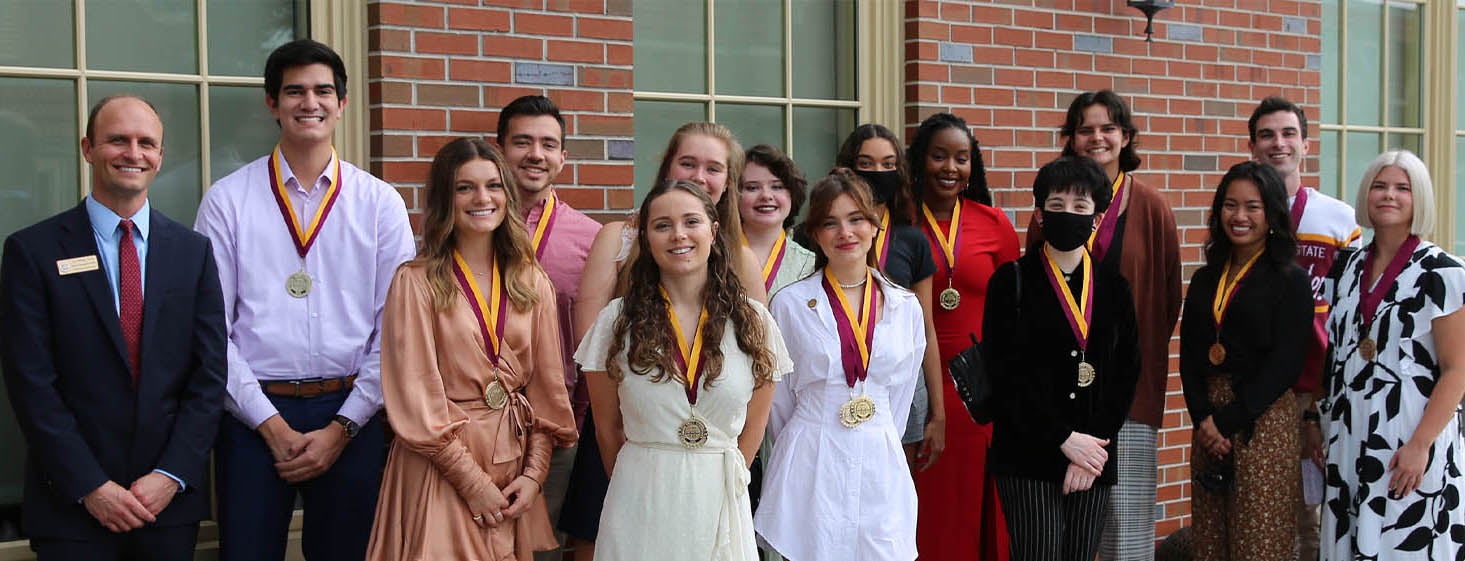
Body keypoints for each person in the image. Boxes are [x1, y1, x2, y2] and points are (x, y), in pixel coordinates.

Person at [195, 39, 416, 561]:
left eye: (322, 91)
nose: (309, 102)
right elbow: (209, 331)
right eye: (294, 91)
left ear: (342, 104)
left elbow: (398, 330)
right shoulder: (228, 200)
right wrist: (268, 424)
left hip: (351, 413)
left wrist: (343, 428)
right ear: (272, 104)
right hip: (251, 417)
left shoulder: (380, 204)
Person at [0, 94, 227, 560]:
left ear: (160, 157)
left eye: (147, 143)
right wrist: (91, 486)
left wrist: (171, 475)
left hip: (166, 505)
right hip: (71, 506)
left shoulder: (193, 253)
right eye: (117, 140)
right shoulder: (33, 252)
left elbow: (208, 378)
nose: (133, 153)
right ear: (87, 148)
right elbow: (31, 384)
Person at [365, 138, 577, 560]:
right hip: (442, 467)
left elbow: (546, 390)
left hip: (513, 465)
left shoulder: (531, 281)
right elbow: (415, 397)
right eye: (465, 188)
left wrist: (534, 476)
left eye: (494, 185)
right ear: (446, 198)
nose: (482, 198)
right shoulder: (416, 281)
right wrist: (473, 483)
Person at [564, 122, 764, 560]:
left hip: (715, 450)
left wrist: (723, 472)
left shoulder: (742, 258)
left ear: (727, 183)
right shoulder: (621, 239)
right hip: (638, 428)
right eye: (688, 162)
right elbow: (595, 348)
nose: (699, 175)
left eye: (713, 168)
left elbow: (753, 373)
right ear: (668, 166)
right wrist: (642, 472)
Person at [1027, 90, 1182, 561]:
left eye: (1107, 128)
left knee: (1126, 524)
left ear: (1125, 137)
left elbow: (1167, 299)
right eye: (1085, 129)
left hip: (1125, 396)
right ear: (1071, 139)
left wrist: (1125, 366)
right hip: (1061, 401)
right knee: (1064, 524)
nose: (1097, 138)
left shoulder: (1152, 207)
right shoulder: (1052, 208)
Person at [755, 169, 925, 561]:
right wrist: (815, 431)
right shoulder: (790, 304)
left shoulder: (905, 307)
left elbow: (899, 397)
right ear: (815, 234)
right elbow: (779, 401)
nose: (845, 232)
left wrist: (874, 428)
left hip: (880, 455)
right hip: (812, 455)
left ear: (874, 225)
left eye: (856, 219)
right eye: (830, 222)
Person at [983, 156, 1140, 561]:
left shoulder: (1114, 287)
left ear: (1097, 216)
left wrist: (1092, 450)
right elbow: (1003, 374)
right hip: (1028, 454)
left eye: (1079, 206)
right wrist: (1064, 440)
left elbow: (1126, 371)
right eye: (1056, 206)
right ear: (1039, 213)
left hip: (1096, 455)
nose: (1067, 214)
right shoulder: (1011, 281)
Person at [1322, 150, 1465, 560]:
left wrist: (1420, 445)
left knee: (1404, 543)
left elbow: (1457, 370)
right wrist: (1318, 419)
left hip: (1410, 435)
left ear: (1419, 199)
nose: (1389, 195)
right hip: (1350, 433)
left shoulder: (1443, 272)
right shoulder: (1346, 266)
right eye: (1380, 186)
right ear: (1366, 193)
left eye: (1403, 188)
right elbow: (1337, 352)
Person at [899, 112, 1019, 561]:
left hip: (978, 390)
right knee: (927, 510)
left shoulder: (994, 224)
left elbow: (1012, 310)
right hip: (916, 383)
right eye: (939, 156)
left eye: (962, 159)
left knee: (976, 510)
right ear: (920, 160)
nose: (950, 168)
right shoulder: (902, 222)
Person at [1247, 97, 1362, 561]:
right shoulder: (1241, 213)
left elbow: (1353, 308)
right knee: (1267, 511)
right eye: (1268, 135)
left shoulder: (1339, 219)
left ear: (1305, 144)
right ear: (1252, 146)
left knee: (1316, 512)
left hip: (1319, 390)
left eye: (1288, 133)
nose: (1279, 144)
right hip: (1258, 388)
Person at [1180, 161, 1312, 561]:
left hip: (1262, 421)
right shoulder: (1206, 279)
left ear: (1272, 214)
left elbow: (1286, 364)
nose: (1239, 217)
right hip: (1209, 427)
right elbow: (1188, 357)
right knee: (1210, 542)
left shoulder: (1290, 279)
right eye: (1230, 205)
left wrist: (1227, 421)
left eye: (1252, 207)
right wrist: (1203, 418)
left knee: (1259, 543)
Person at [493, 95, 603, 559]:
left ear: (563, 157)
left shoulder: (592, 240)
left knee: (544, 549)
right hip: (475, 427)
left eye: (547, 144)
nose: (535, 154)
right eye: (522, 142)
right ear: (499, 149)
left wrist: (575, 423)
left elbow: (595, 342)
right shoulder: (465, 231)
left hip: (556, 430)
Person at [832, 124, 946, 474]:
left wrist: (939, 412)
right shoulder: (828, 236)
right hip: (840, 383)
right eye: (866, 164)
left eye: (888, 164)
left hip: (902, 390)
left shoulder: (912, 240)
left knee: (893, 494)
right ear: (847, 168)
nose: (878, 174)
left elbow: (925, 327)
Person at [739, 144, 816, 296]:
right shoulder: (715, 256)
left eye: (777, 187)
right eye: (752, 188)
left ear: (792, 194)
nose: (766, 195)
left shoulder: (810, 265)